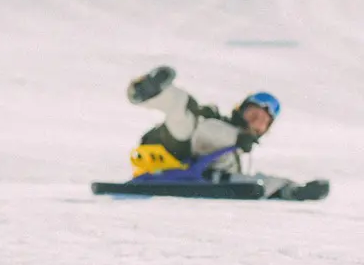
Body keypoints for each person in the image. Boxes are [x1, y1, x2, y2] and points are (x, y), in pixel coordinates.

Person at [126, 65, 325, 199]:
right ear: (241, 111)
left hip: (193, 173)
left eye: (263, 121)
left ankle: (290, 190)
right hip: (174, 147)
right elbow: (207, 130)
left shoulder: (236, 155)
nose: (257, 121)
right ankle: (148, 91)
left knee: (235, 175)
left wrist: (291, 190)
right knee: (184, 109)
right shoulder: (214, 121)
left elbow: (247, 182)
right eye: (253, 114)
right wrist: (237, 138)